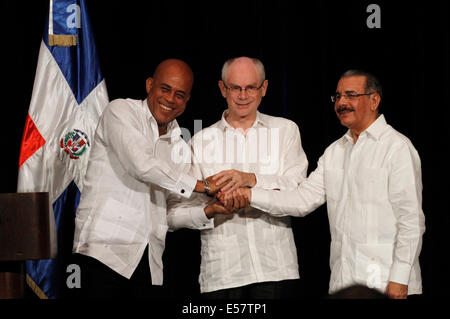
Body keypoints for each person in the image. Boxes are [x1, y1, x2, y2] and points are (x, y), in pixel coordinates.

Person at [240, 70, 425, 299]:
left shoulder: (396, 148)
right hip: (343, 284)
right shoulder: (335, 151)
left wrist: (400, 278)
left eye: (350, 95)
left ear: (374, 100)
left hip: (386, 285)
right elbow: (302, 199)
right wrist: (249, 195)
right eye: (337, 97)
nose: (341, 103)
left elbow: (411, 221)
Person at [72, 59, 237, 299]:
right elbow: (142, 165)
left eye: (180, 94)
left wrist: (210, 210)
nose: (171, 99)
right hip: (103, 254)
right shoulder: (120, 111)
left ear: (187, 100)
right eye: (165, 89)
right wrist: (205, 186)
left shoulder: (180, 146)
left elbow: (169, 214)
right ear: (150, 85)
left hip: (148, 263)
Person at [167, 57, 309, 298]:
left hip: (276, 270)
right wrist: (212, 210)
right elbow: (173, 214)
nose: (243, 95)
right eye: (235, 88)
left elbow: (298, 194)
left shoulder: (286, 131)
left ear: (263, 88)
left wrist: (251, 182)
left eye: (250, 87)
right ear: (223, 89)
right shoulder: (199, 142)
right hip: (222, 274)